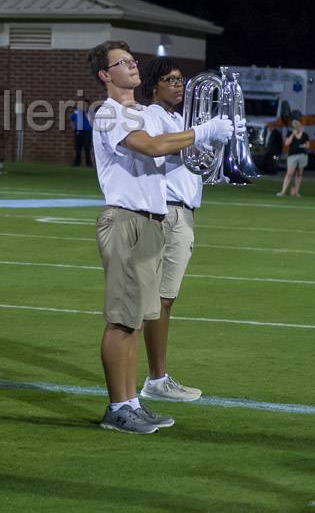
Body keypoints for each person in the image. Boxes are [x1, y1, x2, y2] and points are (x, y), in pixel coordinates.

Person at [87, 41, 237, 434]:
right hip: (125, 220)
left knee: (136, 320)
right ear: (105, 74)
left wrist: (205, 142)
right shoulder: (107, 113)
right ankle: (117, 407)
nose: (134, 66)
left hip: (152, 220)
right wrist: (203, 130)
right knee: (121, 321)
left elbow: (168, 154)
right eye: (123, 63)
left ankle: (132, 401)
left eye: (133, 60)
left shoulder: (141, 113)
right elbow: (151, 147)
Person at [137, 57, 205, 403]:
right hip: (169, 213)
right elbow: (157, 148)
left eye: (181, 80)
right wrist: (201, 134)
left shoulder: (179, 118)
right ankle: (156, 379)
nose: (179, 85)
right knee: (160, 300)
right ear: (154, 86)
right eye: (170, 80)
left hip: (184, 213)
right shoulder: (152, 115)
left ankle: (157, 377)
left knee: (165, 299)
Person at [277, 119, 310, 197]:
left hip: (302, 155)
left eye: (297, 127)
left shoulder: (305, 135)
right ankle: (283, 191)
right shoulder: (289, 133)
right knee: (289, 174)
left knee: (299, 174)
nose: (296, 129)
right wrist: (292, 135)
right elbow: (286, 143)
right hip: (292, 156)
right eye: (294, 127)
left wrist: (303, 146)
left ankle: (296, 191)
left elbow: (308, 146)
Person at [70, 99, 93, 167]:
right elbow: (72, 120)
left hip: (87, 131)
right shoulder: (76, 112)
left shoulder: (90, 112)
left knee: (87, 148)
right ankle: (77, 163)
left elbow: (91, 121)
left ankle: (88, 163)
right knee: (77, 148)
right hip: (78, 131)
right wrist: (74, 128)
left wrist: (85, 112)